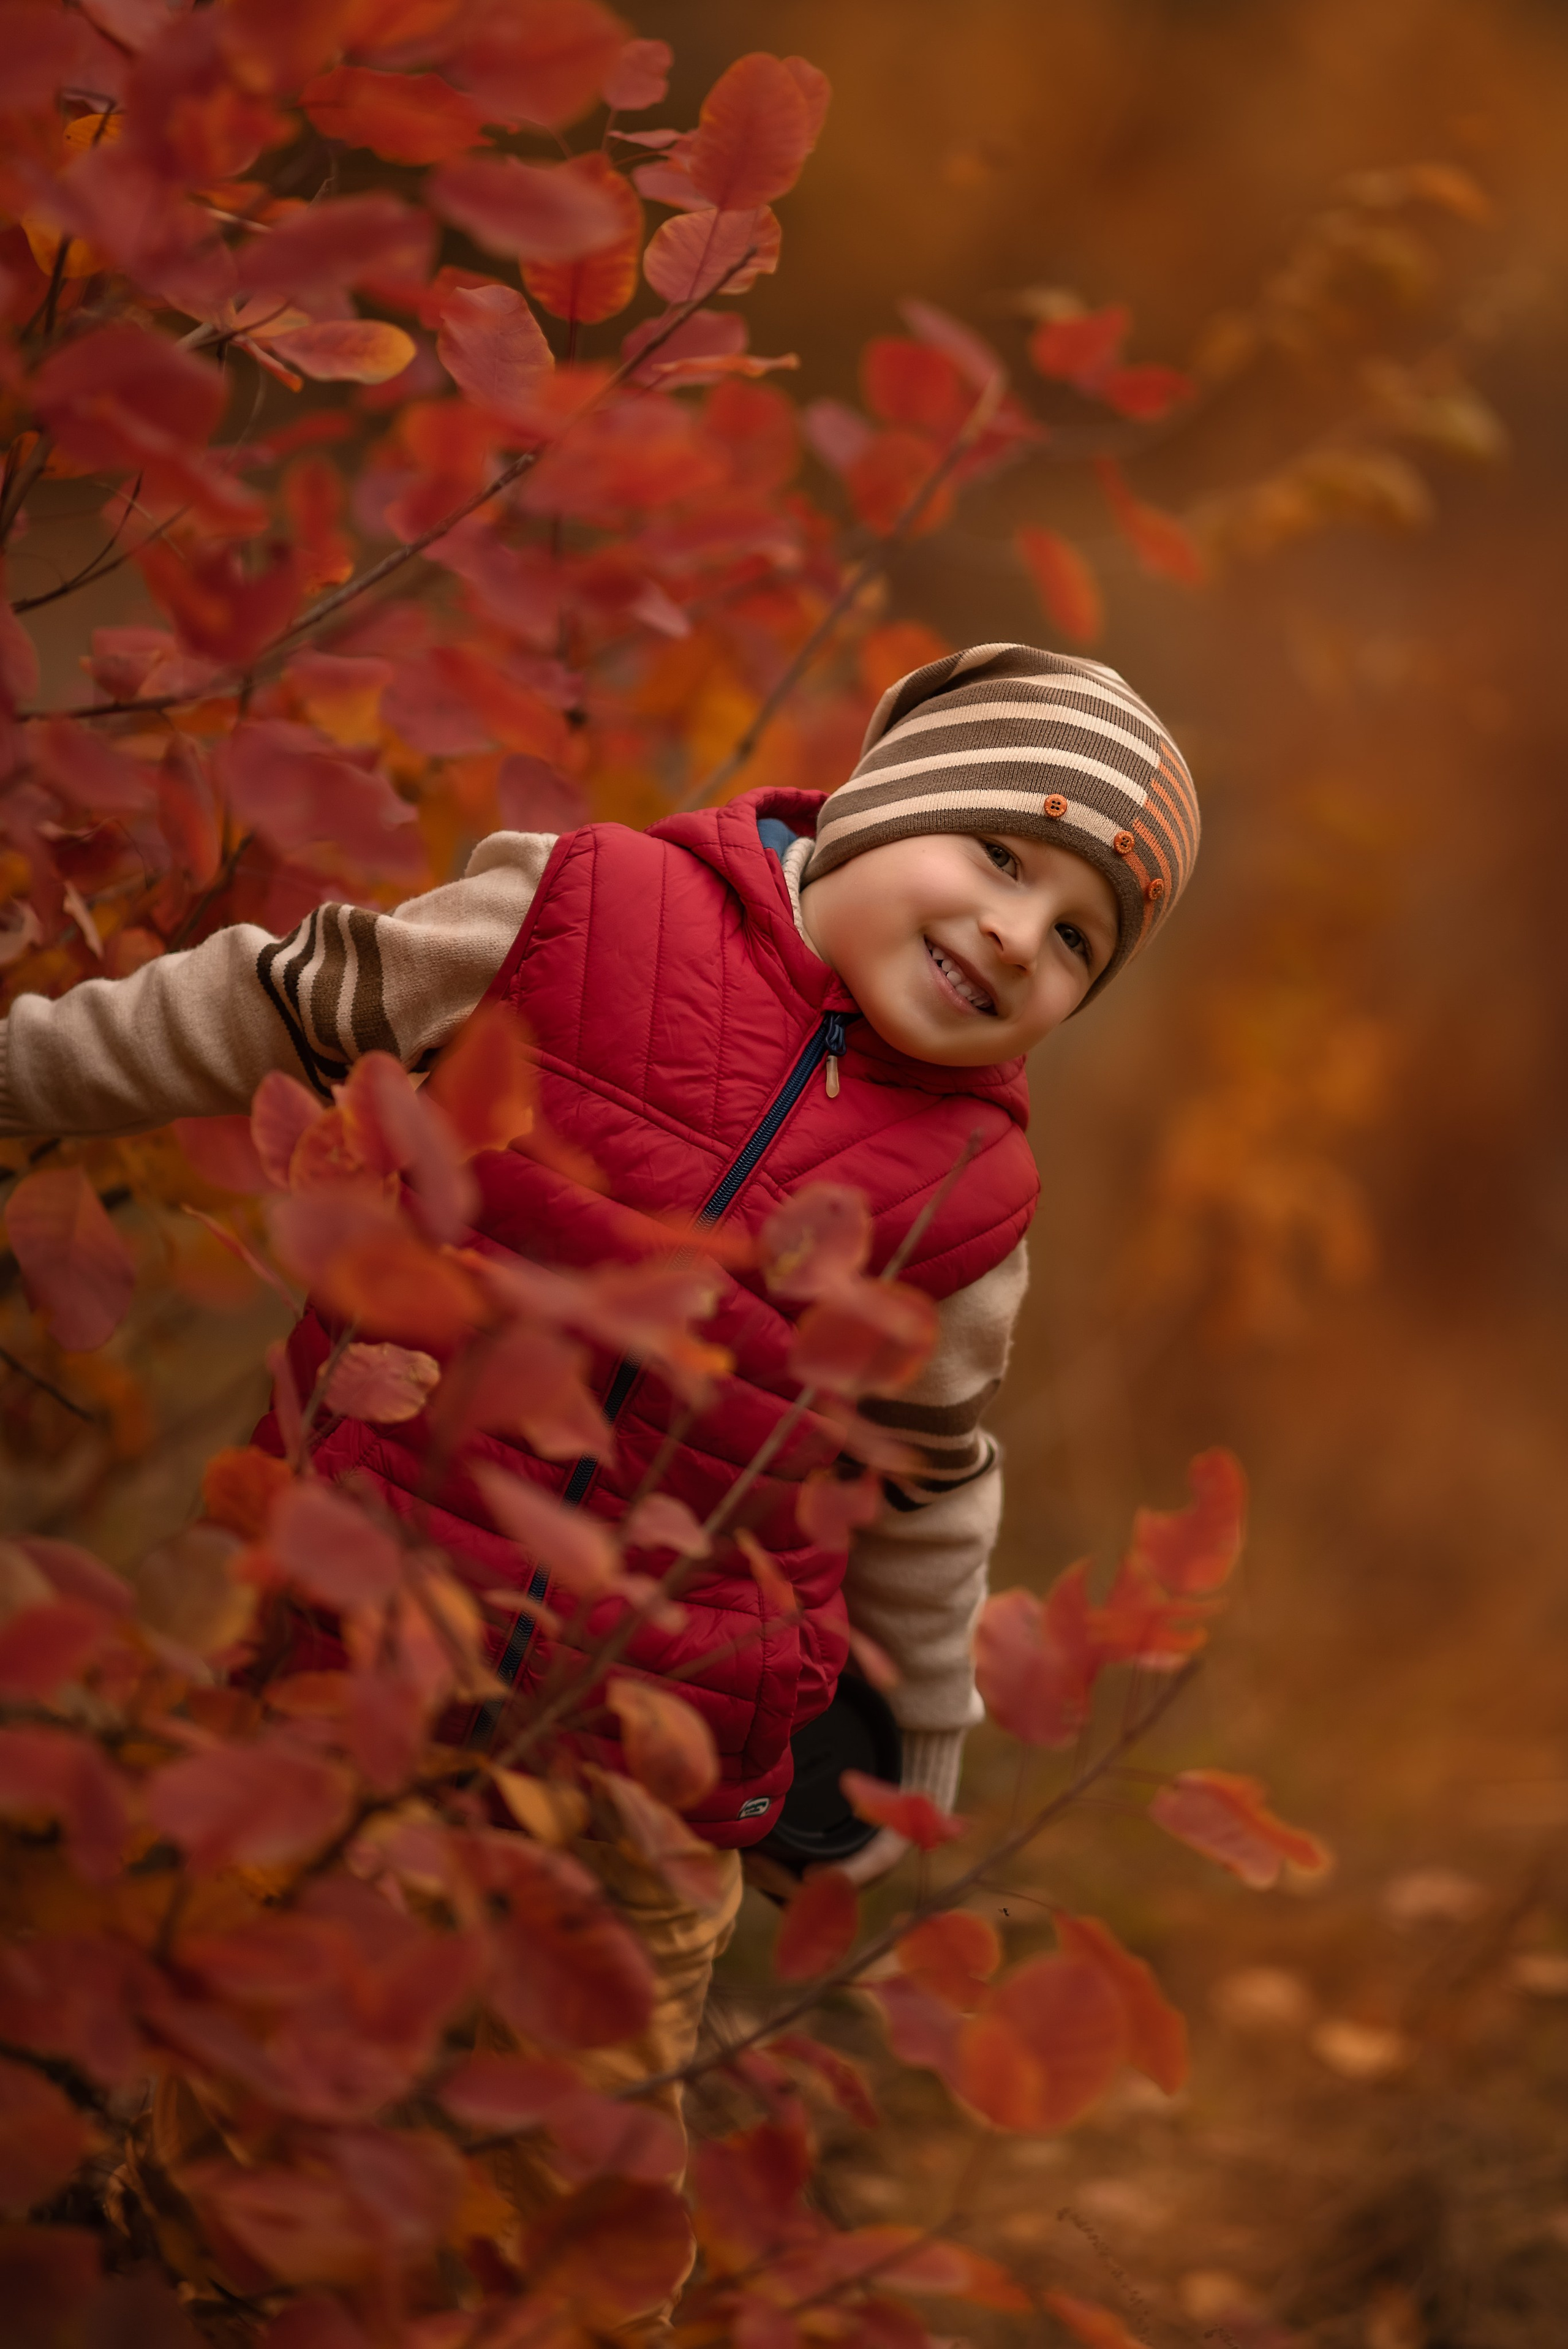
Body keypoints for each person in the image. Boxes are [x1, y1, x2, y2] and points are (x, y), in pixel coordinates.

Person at [0, 641, 1198, 2154]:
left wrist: (908, 1745)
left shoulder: (971, 1193)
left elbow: (923, 1472)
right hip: (353, 1649)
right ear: (878, 808)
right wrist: (17, 1071)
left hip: (651, 1777)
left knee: (579, 2177)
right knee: (250, 2099)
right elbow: (257, 1006)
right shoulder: (581, 908)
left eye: (1078, 938)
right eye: (1002, 856)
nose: (1018, 935)